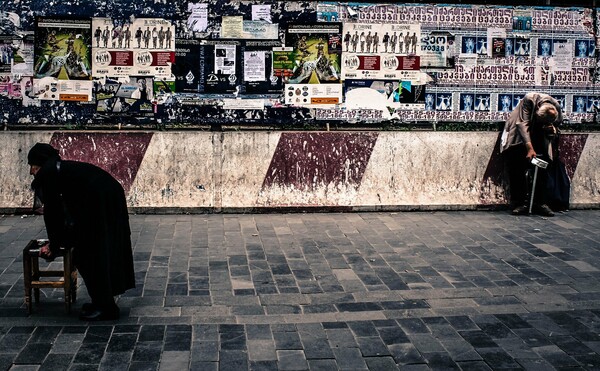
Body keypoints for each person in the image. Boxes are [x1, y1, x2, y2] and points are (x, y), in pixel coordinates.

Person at [27, 143, 135, 321]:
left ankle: (106, 308)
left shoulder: (49, 175)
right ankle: (101, 302)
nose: (31, 172)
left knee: (90, 253)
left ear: (40, 164)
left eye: (33, 166)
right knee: (88, 251)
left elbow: (53, 215)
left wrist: (53, 246)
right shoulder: (58, 171)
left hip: (103, 203)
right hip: (102, 201)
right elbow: (65, 214)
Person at [500, 92, 562, 216]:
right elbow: (522, 125)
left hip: (540, 133)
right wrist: (529, 148)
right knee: (517, 164)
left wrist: (551, 129)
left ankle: (540, 203)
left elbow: (558, 123)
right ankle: (520, 203)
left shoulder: (556, 107)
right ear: (537, 110)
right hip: (519, 134)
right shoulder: (529, 99)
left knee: (543, 165)